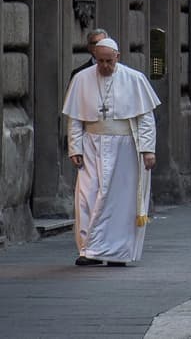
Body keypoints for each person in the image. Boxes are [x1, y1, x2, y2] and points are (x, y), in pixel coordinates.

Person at [61, 37, 160, 266]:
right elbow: (75, 118)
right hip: (92, 145)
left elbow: (146, 119)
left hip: (124, 148)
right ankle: (88, 251)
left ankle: (117, 253)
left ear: (118, 57)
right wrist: (74, 147)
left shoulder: (134, 79)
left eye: (109, 61)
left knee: (120, 201)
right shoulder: (82, 79)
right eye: (100, 61)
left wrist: (148, 150)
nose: (104, 66)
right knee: (87, 197)